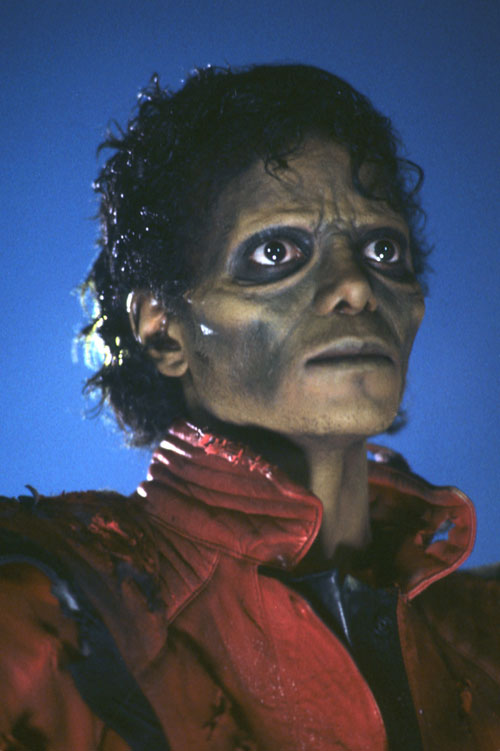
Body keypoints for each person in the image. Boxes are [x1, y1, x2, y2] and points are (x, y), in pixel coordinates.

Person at [0, 64, 498, 751]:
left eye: (384, 248)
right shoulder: (38, 609)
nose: (356, 286)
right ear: (161, 330)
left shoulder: (485, 631)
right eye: (275, 252)